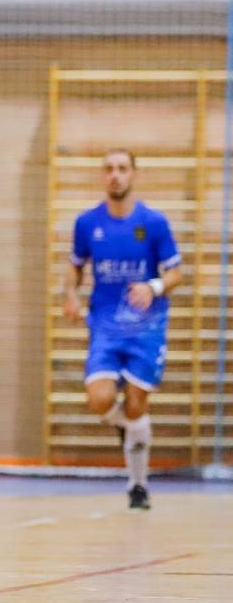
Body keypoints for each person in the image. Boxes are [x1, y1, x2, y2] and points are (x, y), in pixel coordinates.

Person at [63, 148, 181, 510]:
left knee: (136, 403)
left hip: (147, 327)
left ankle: (138, 485)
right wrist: (71, 295)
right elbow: (76, 265)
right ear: (103, 176)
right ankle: (133, 429)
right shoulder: (87, 223)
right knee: (99, 399)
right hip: (106, 325)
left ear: (133, 174)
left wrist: (153, 286)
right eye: (109, 169)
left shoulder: (153, 223)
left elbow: (176, 273)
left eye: (122, 168)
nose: (115, 174)